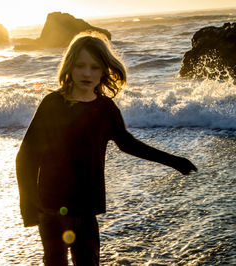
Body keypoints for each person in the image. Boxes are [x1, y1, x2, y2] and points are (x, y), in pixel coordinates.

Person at [15, 31, 197, 266]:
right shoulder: (53, 105)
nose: (87, 73)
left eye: (94, 67)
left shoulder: (105, 109)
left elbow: (127, 143)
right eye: (80, 65)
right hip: (51, 209)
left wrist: (174, 161)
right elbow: (26, 156)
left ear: (104, 71)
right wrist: (29, 208)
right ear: (69, 66)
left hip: (86, 209)